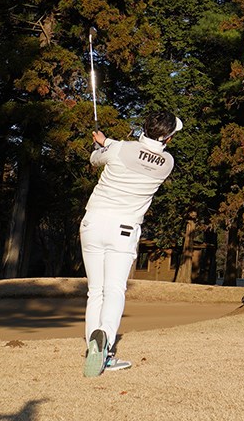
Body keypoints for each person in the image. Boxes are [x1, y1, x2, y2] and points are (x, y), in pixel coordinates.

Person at [80, 109, 180, 378]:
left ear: (143, 128)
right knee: (114, 289)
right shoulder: (167, 163)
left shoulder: (119, 149)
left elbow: (95, 160)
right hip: (123, 229)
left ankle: (93, 349)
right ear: (167, 138)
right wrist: (108, 143)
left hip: (93, 223)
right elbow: (137, 153)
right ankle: (105, 349)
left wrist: (101, 145)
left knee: (96, 291)